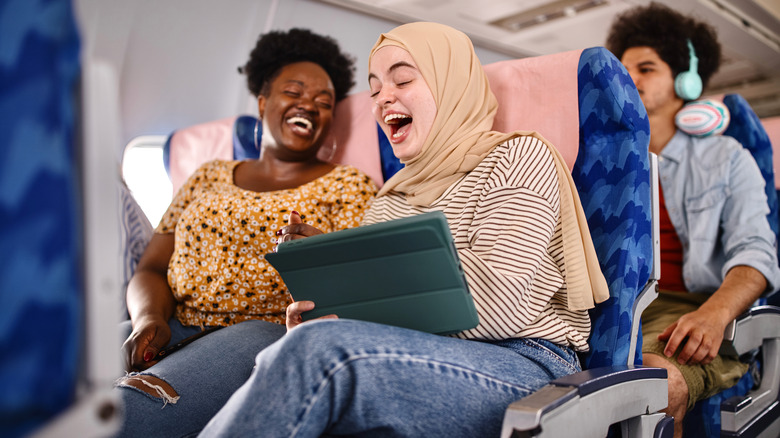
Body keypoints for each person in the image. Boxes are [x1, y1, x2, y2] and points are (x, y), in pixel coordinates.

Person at [198, 21, 609, 438]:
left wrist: (359, 278)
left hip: (523, 362)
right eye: (375, 90)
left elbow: (502, 306)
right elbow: (377, 320)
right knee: (302, 346)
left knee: (319, 353)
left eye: (403, 79)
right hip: (416, 356)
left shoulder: (517, 156)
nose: (382, 99)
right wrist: (323, 311)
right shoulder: (388, 199)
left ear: (451, 85)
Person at [114, 28, 377, 437]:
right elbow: (150, 268)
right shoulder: (208, 175)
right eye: (294, 91)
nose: (308, 105)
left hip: (260, 332)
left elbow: (355, 294)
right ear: (262, 101)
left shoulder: (349, 186)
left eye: (323, 102)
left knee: (126, 412)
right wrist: (147, 318)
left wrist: (313, 256)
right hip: (172, 318)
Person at [605, 4, 780, 437]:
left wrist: (714, 315)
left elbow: (756, 251)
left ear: (685, 79)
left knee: (654, 385)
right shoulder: (605, 163)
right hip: (617, 306)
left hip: (691, 305)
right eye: (624, 70)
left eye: (646, 68)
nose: (631, 79)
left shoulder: (726, 157)